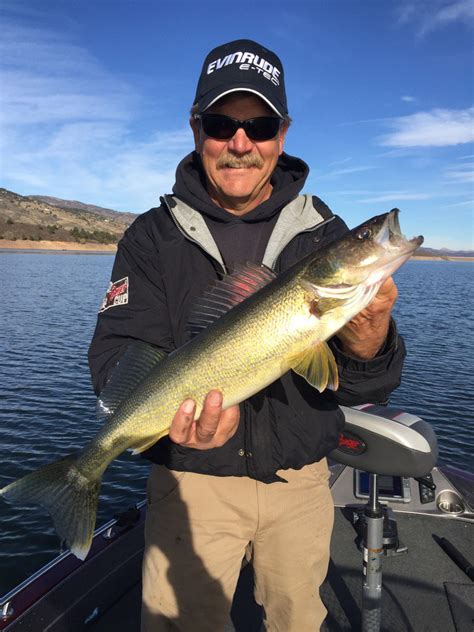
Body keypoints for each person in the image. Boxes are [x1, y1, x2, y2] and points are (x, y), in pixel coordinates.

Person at [88, 39, 405, 631]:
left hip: (302, 484)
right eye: (221, 123)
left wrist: (371, 336)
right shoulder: (152, 237)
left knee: (297, 622)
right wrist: (168, 424)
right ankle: (82, 471)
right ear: (195, 129)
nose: (240, 143)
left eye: (258, 125)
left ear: (281, 134)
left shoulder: (322, 232)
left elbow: (369, 382)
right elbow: (116, 353)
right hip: (191, 485)